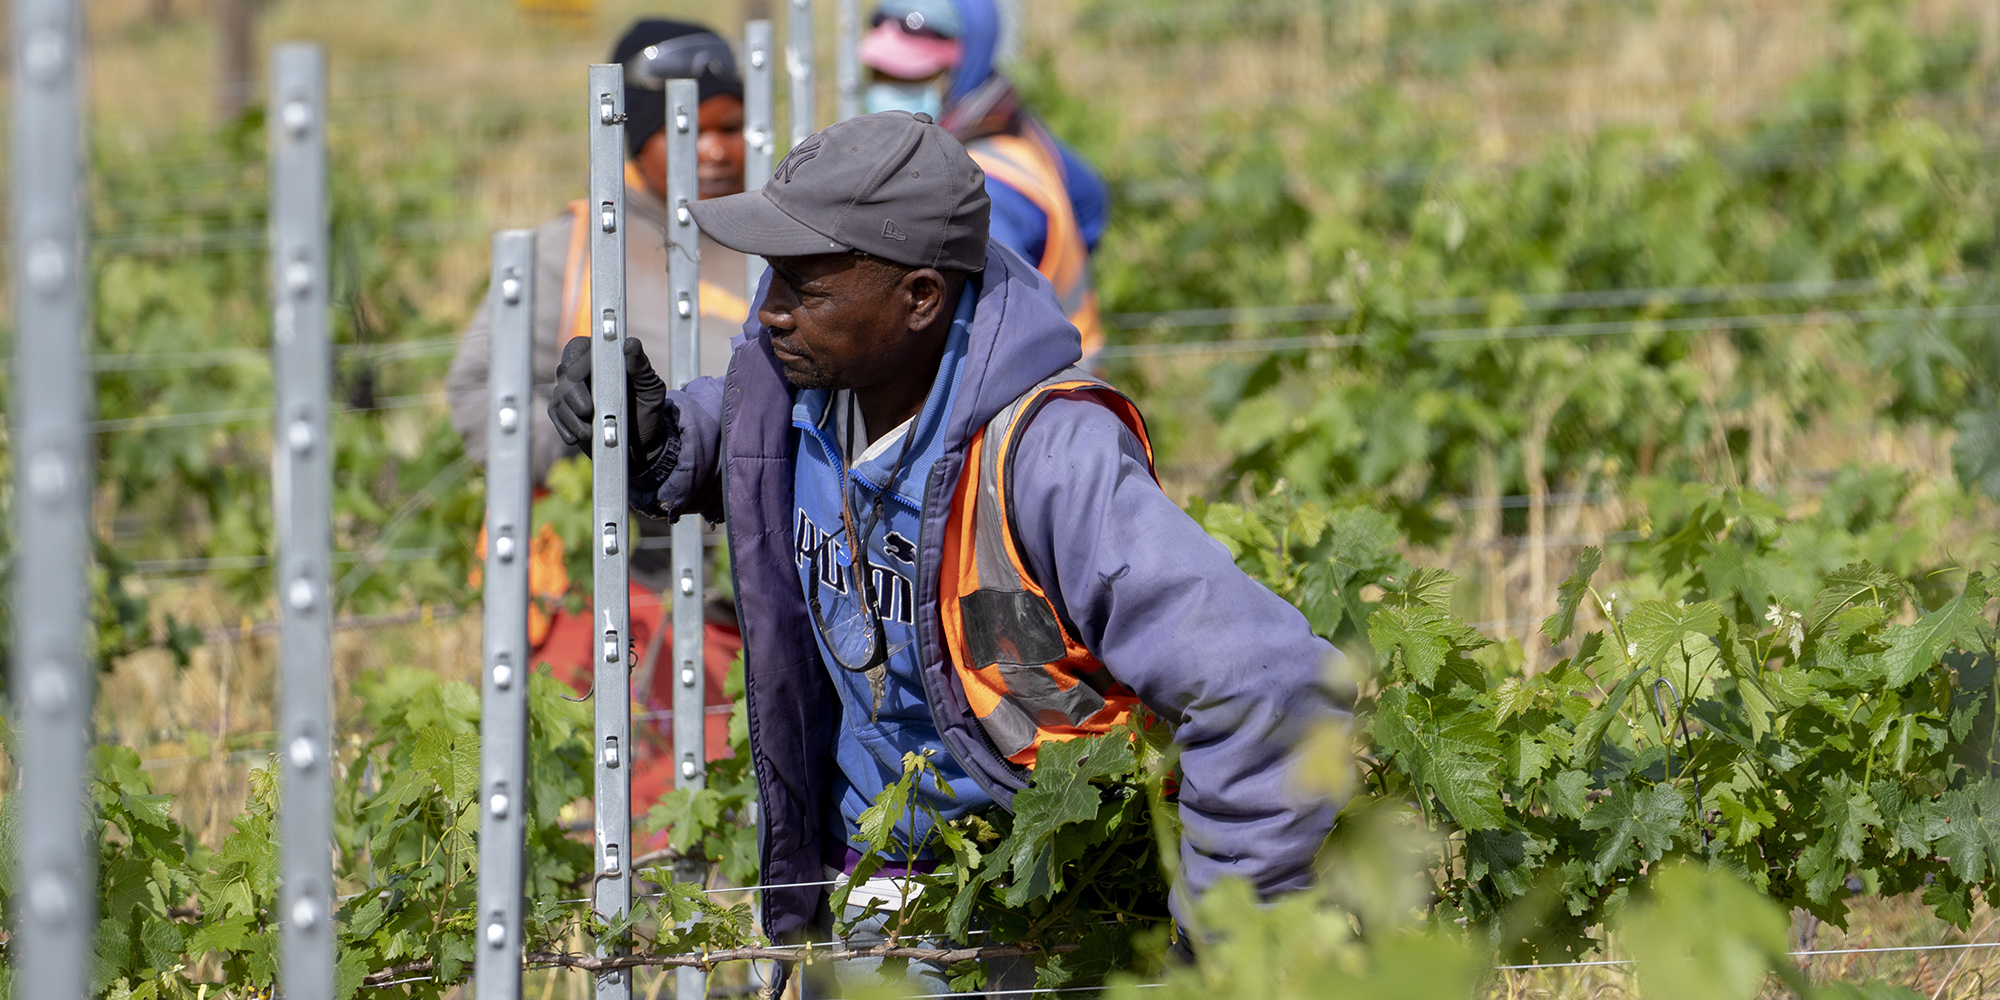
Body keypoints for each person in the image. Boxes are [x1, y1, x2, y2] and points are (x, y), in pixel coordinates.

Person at [547, 111, 1346, 995]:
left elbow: (1269, 688)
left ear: (921, 298)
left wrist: (1222, 954)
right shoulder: (799, 377)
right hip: (867, 880)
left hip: (1039, 912)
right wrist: (657, 438)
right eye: (770, 273)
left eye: (806, 286)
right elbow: (739, 437)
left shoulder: (1048, 456)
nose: (768, 305)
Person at [445, 19, 751, 810]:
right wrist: (597, 440)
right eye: (693, 128)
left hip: (738, 583)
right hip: (608, 587)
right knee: (630, 805)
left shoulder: (770, 241)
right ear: (639, 136)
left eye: (732, 126)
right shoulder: (574, 246)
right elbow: (477, 396)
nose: (716, 149)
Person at [858, 0, 1111, 360]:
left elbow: (994, 327)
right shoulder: (1015, 124)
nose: (885, 91)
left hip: (1041, 389)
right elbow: (1090, 199)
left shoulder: (977, 187)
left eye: (912, 75)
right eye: (878, 73)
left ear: (962, 66)